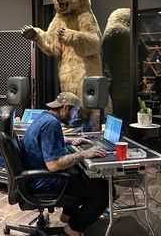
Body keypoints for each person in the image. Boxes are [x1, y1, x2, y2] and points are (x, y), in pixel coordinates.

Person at [21, 92, 109, 236]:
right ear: (66, 108)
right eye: (75, 111)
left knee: (80, 173)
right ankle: (73, 228)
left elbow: (44, 142)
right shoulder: (51, 124)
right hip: (44, 183)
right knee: (103, 190)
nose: (75, 116)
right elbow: (53, 165)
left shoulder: (44, 117)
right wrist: (83, 154)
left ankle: (68, 215)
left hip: (34, 179)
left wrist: (69, 141)